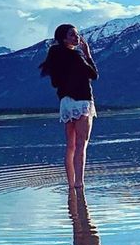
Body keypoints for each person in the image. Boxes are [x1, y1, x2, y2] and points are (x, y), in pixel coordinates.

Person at [39, 24, 99, 189]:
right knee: (82, 143)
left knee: (70, 145)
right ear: (64, 39)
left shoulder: (56, 57)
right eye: (72, 35)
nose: (77, 37)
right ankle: (79, 183)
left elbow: (55, 83)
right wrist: (87, 54)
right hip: (82, 102)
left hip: (65, 103)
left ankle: (71, 184)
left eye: (77, 34)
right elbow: (94, 75)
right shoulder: (76, 56)